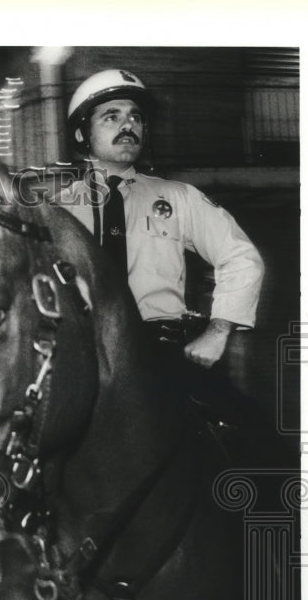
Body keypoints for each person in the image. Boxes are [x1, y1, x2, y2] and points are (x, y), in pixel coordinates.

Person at [55, 69, 265, 425]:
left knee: (255, 439)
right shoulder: (57, 212)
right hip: (83, 359)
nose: (128, 125)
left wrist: (217, 333)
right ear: (82, 133)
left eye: (135, 116)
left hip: (164, 359)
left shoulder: (179, 198)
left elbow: (241, 257)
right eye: (111, 117)